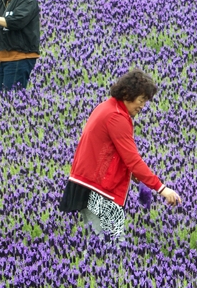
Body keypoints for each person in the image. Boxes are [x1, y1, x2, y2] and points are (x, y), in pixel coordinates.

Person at [59, 69, 181, 239]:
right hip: (98, 188)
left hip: (88, 182)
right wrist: (162, 189)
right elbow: (133, 160)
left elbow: (111, 152)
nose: (142, 106)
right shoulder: (116, 117)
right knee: (110, 242)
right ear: (126, 94)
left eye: (145, 101)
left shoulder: (107, 107)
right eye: (140, 100)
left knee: (99, 240)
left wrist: (135, 176)